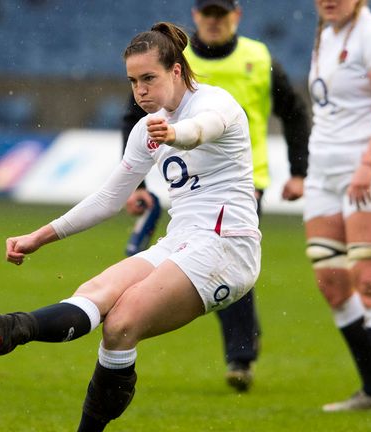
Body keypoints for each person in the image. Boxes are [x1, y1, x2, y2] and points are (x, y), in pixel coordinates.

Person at [0, 22, 262, 431]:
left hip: (228, 249)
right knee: (95, 294)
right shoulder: (147, 128)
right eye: (132, 82)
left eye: (149, 79)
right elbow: (109, 198)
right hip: (181, 241)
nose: (140, 91)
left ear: (176, 70)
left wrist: (175, 133)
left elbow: (202, 130)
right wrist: (39, 237)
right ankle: (6, 330)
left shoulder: (215, 103)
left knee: (122, 322)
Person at [121, 0, 310, 392]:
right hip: (185, 181)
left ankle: (240, 355)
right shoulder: (171, 60)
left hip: (242, 177)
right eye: (207, 14)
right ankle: (240, 345)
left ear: (236, 16)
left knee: (222, 254)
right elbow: (134, 118)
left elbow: (292, 110)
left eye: (220, 14)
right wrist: (135, 185)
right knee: (209, 259)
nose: (213, 21)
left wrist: (299, 171)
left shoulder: (257, 57)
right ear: (195, 16)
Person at [305, 0, 371, 414]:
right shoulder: (327, 35)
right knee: (332, 283)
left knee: (370, 280)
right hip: (323, 176)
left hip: (369, 168)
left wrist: (367, 163)